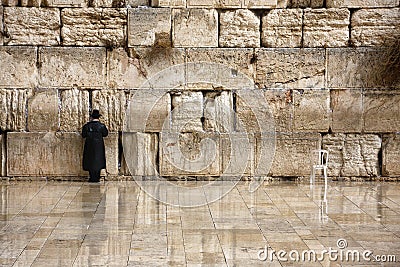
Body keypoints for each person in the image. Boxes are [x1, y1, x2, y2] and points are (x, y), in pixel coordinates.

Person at [82, 109, 108, 183]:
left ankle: (92, 177)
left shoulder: (87, 126)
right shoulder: (102, 126)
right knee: (98, 160)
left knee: (90, 160)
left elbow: (83, 135)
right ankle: (97, 177)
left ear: (91, 117)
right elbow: (105, 134)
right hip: (99, 146)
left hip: (89, 145)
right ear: (98, 117)